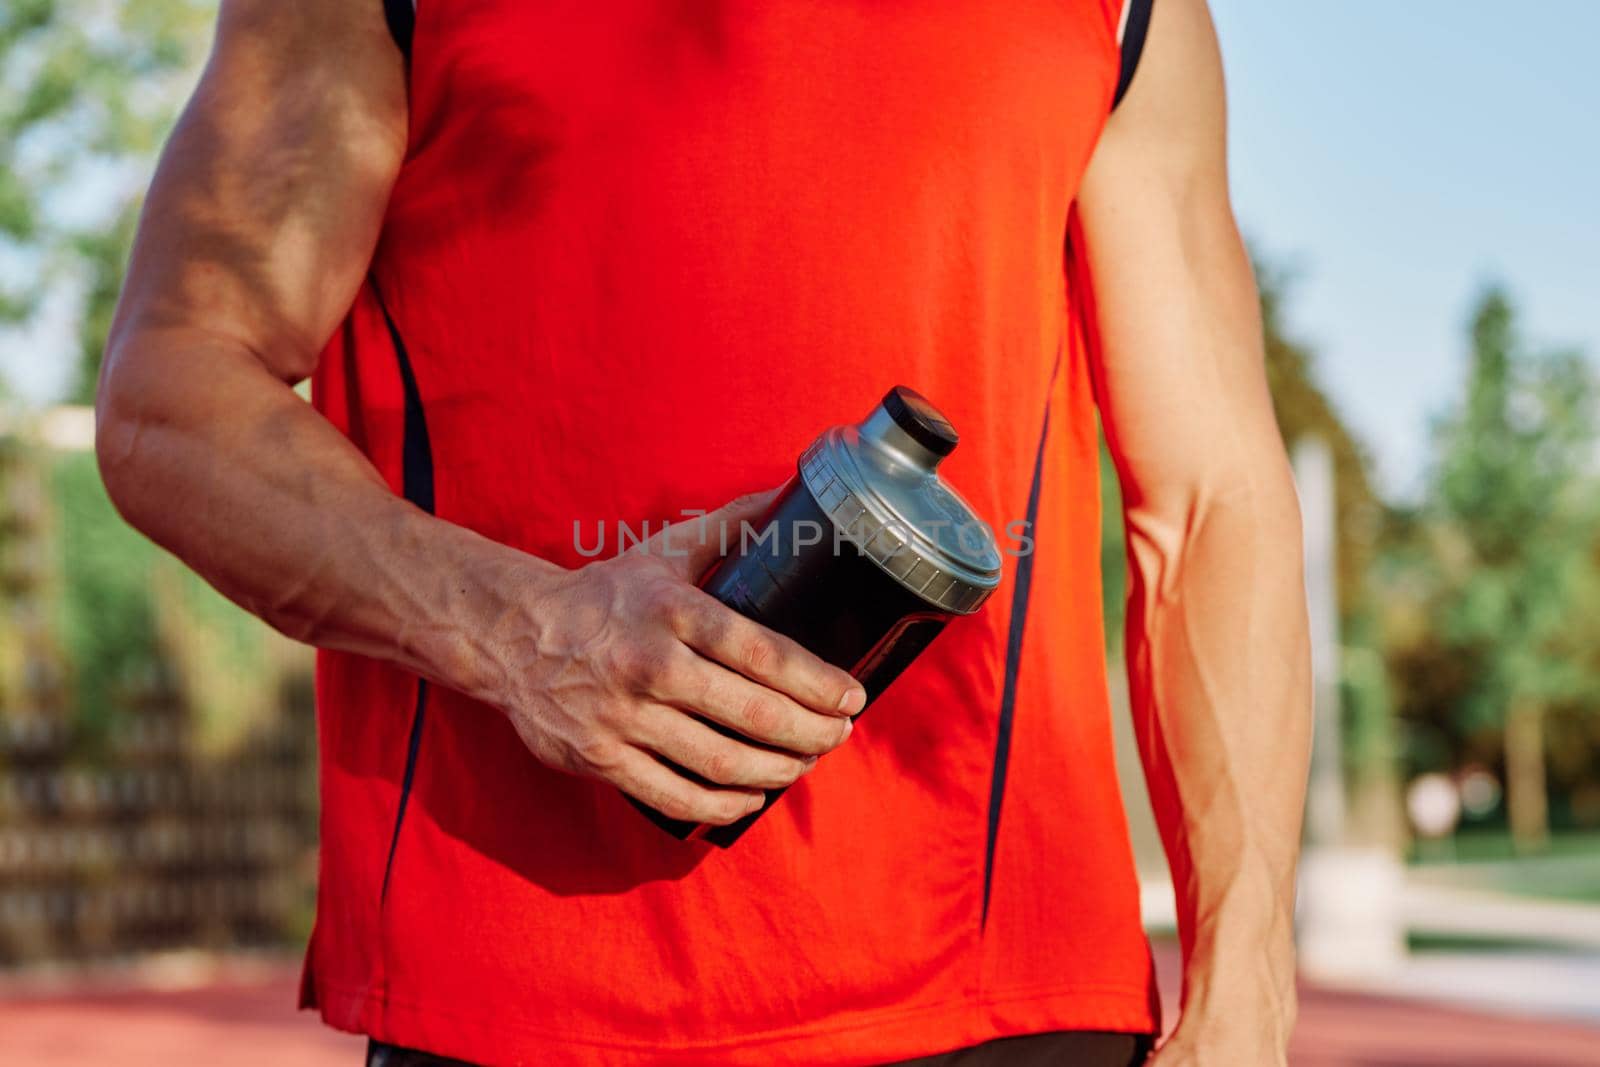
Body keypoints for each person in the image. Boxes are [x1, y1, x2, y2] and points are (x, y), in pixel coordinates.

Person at [96, 0, 1311, 1063]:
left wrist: (1246, 995)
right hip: (524, 998)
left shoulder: (1124, 10)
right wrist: (518, 631)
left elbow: (1210, 498)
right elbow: (174, 395)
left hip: (1007, 1002)